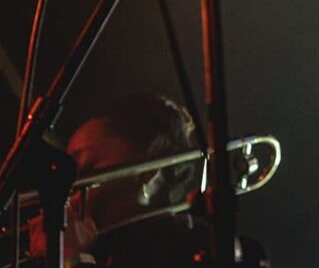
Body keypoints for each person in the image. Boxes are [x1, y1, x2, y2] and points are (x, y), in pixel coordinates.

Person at [24, 94, 210, 267]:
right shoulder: (101, 249)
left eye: (89, 165)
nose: (70, 184)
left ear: (148, 169)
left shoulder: (191, 249)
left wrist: (71, 257)